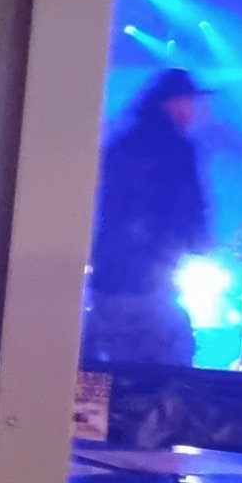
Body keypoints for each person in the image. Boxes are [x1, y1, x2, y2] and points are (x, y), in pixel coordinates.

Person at [83, 68, 212, 367]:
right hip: (150, 278)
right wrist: (198, 240)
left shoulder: (120, 145)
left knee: (115, 362)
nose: (193, 111)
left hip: (109, 278)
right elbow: (186, 207)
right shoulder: (178, 151)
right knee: (167, 361)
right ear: (173, 103)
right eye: (189, 102)